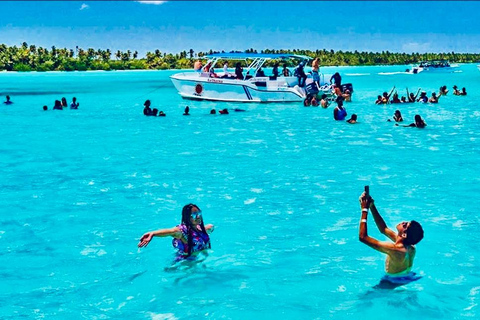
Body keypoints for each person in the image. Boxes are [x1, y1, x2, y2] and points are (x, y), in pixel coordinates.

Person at [358, 190, 424, 289]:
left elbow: (363, 237)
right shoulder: (411, 247)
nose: (403, 222)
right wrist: (371, 206)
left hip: (392, 283)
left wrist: (364, 210)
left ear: (405, 234)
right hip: (408, 277)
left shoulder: (396, 250)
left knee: (364, 299)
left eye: (405, 225)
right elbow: (384, 229)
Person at [138, 204, 214, 260]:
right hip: (186, 265)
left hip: (201, 260)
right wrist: (153, 233)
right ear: (187, 217)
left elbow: (209, 228)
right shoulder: (183, 232)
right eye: (194, 215)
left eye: (199, 213)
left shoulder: (202, 229)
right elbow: (171, 231)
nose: (198, 216)